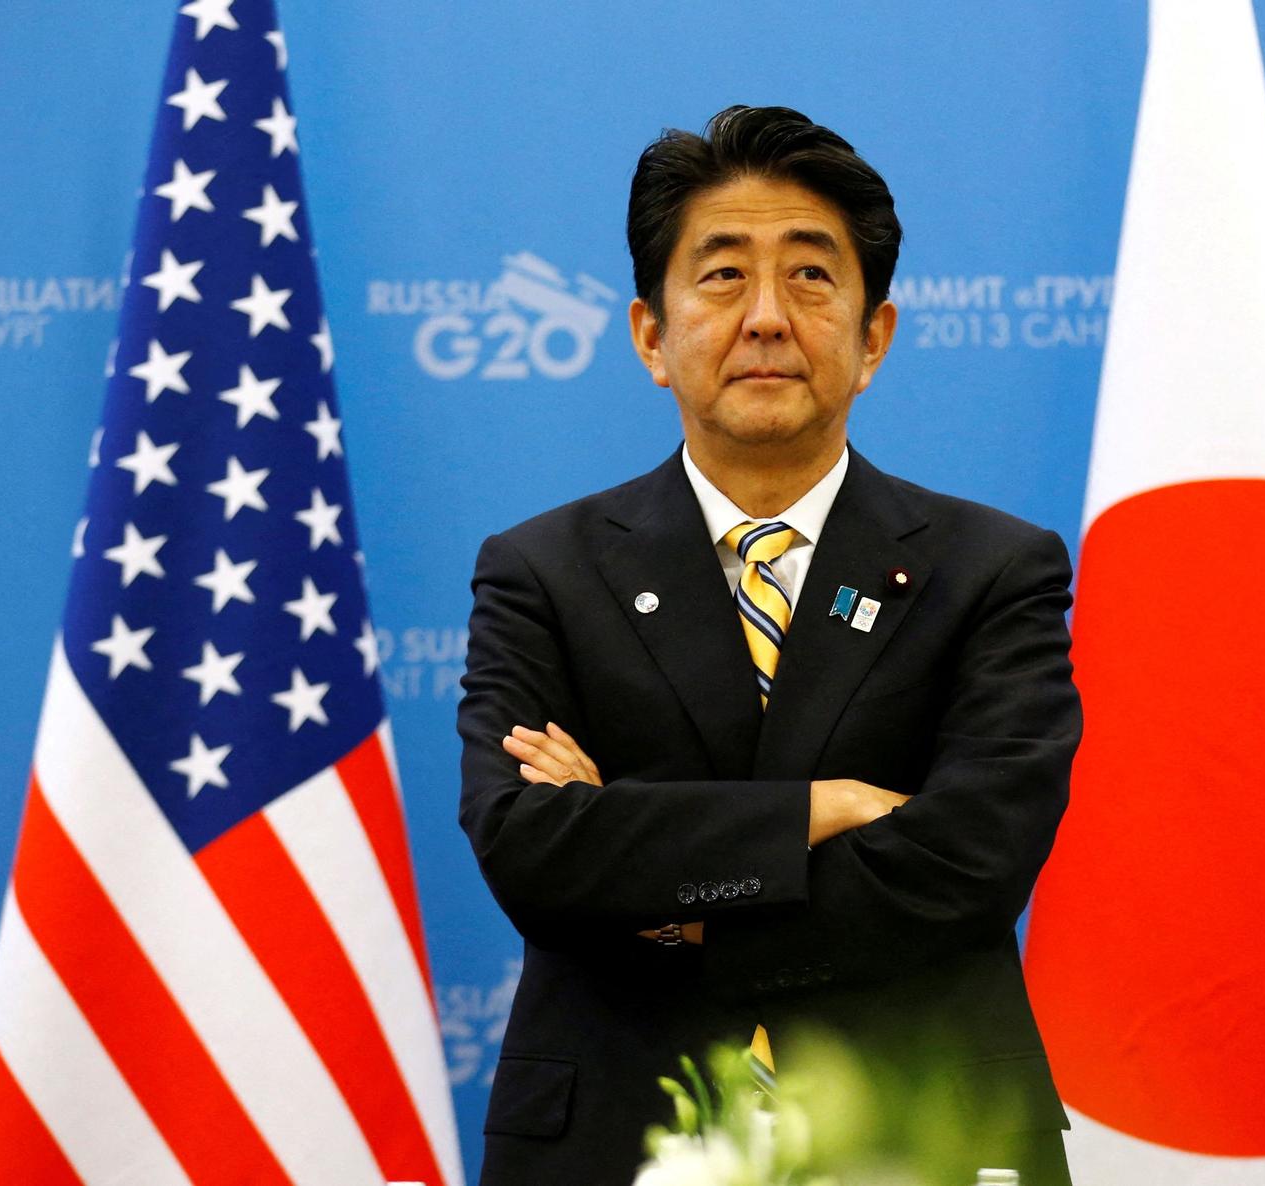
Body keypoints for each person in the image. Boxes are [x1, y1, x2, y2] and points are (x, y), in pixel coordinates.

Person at [457, 105, 1080, 1186]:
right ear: (651, 335)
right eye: (720, 275)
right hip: (617, 1130)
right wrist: (814, 810)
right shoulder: (541, 570)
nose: (765, 319)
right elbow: (531, 850)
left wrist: (669, 916)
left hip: (920, 1130)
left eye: (809, 276)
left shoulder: (993, 568)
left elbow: (968, 859)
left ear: (872, 335)